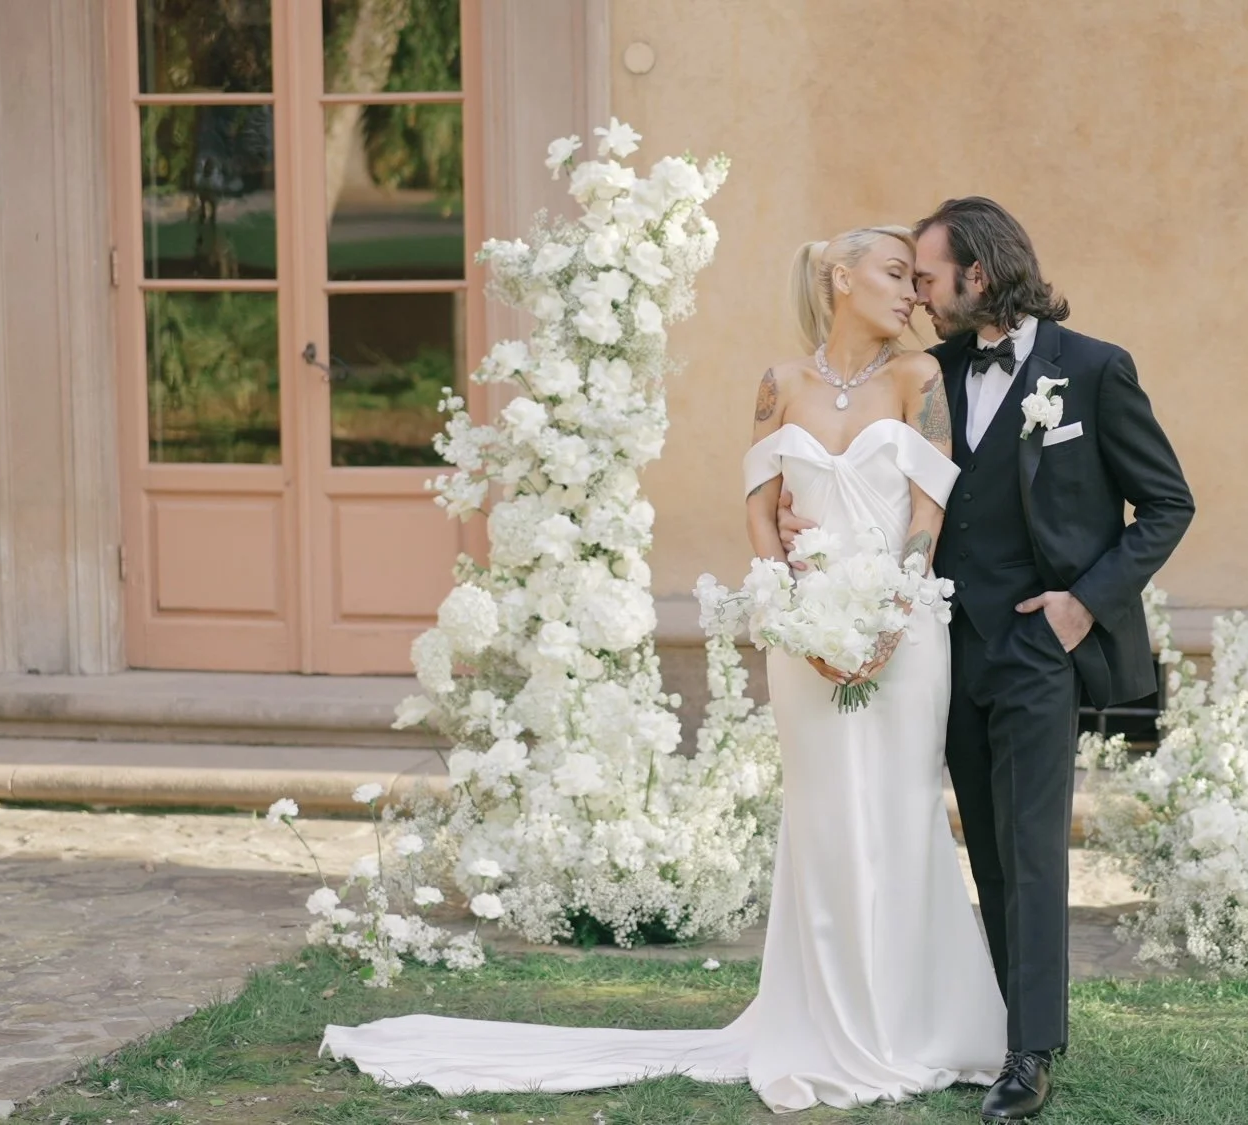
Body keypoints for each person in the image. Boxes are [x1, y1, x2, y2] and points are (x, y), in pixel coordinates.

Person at [321, 226, 1008, 1113]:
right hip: (801, 636)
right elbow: (761, 514)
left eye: (917, 282)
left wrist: (890, 616)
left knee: (902, 811)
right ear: (839, 277)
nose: (912, 294)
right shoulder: (779, 383)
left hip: (905, 637)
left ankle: (913, 1024)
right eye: (893, 275)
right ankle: (827, 1020)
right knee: (826, 816)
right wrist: (790, 610)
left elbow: (928, 509)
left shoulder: (922, 379)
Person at [779, 198, 1194, 1121]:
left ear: (981, 270)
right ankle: (993, 1023)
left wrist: (1083, 603)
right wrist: (796, 518)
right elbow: (865, 467)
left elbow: (1167, 504)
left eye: (928, 277)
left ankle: (1031, 1053)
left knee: (1034, 848)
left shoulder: (1092, 371)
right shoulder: (932, 371)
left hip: (1040, 647)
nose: (919, 295)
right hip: (940, 645)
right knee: (986, 854)